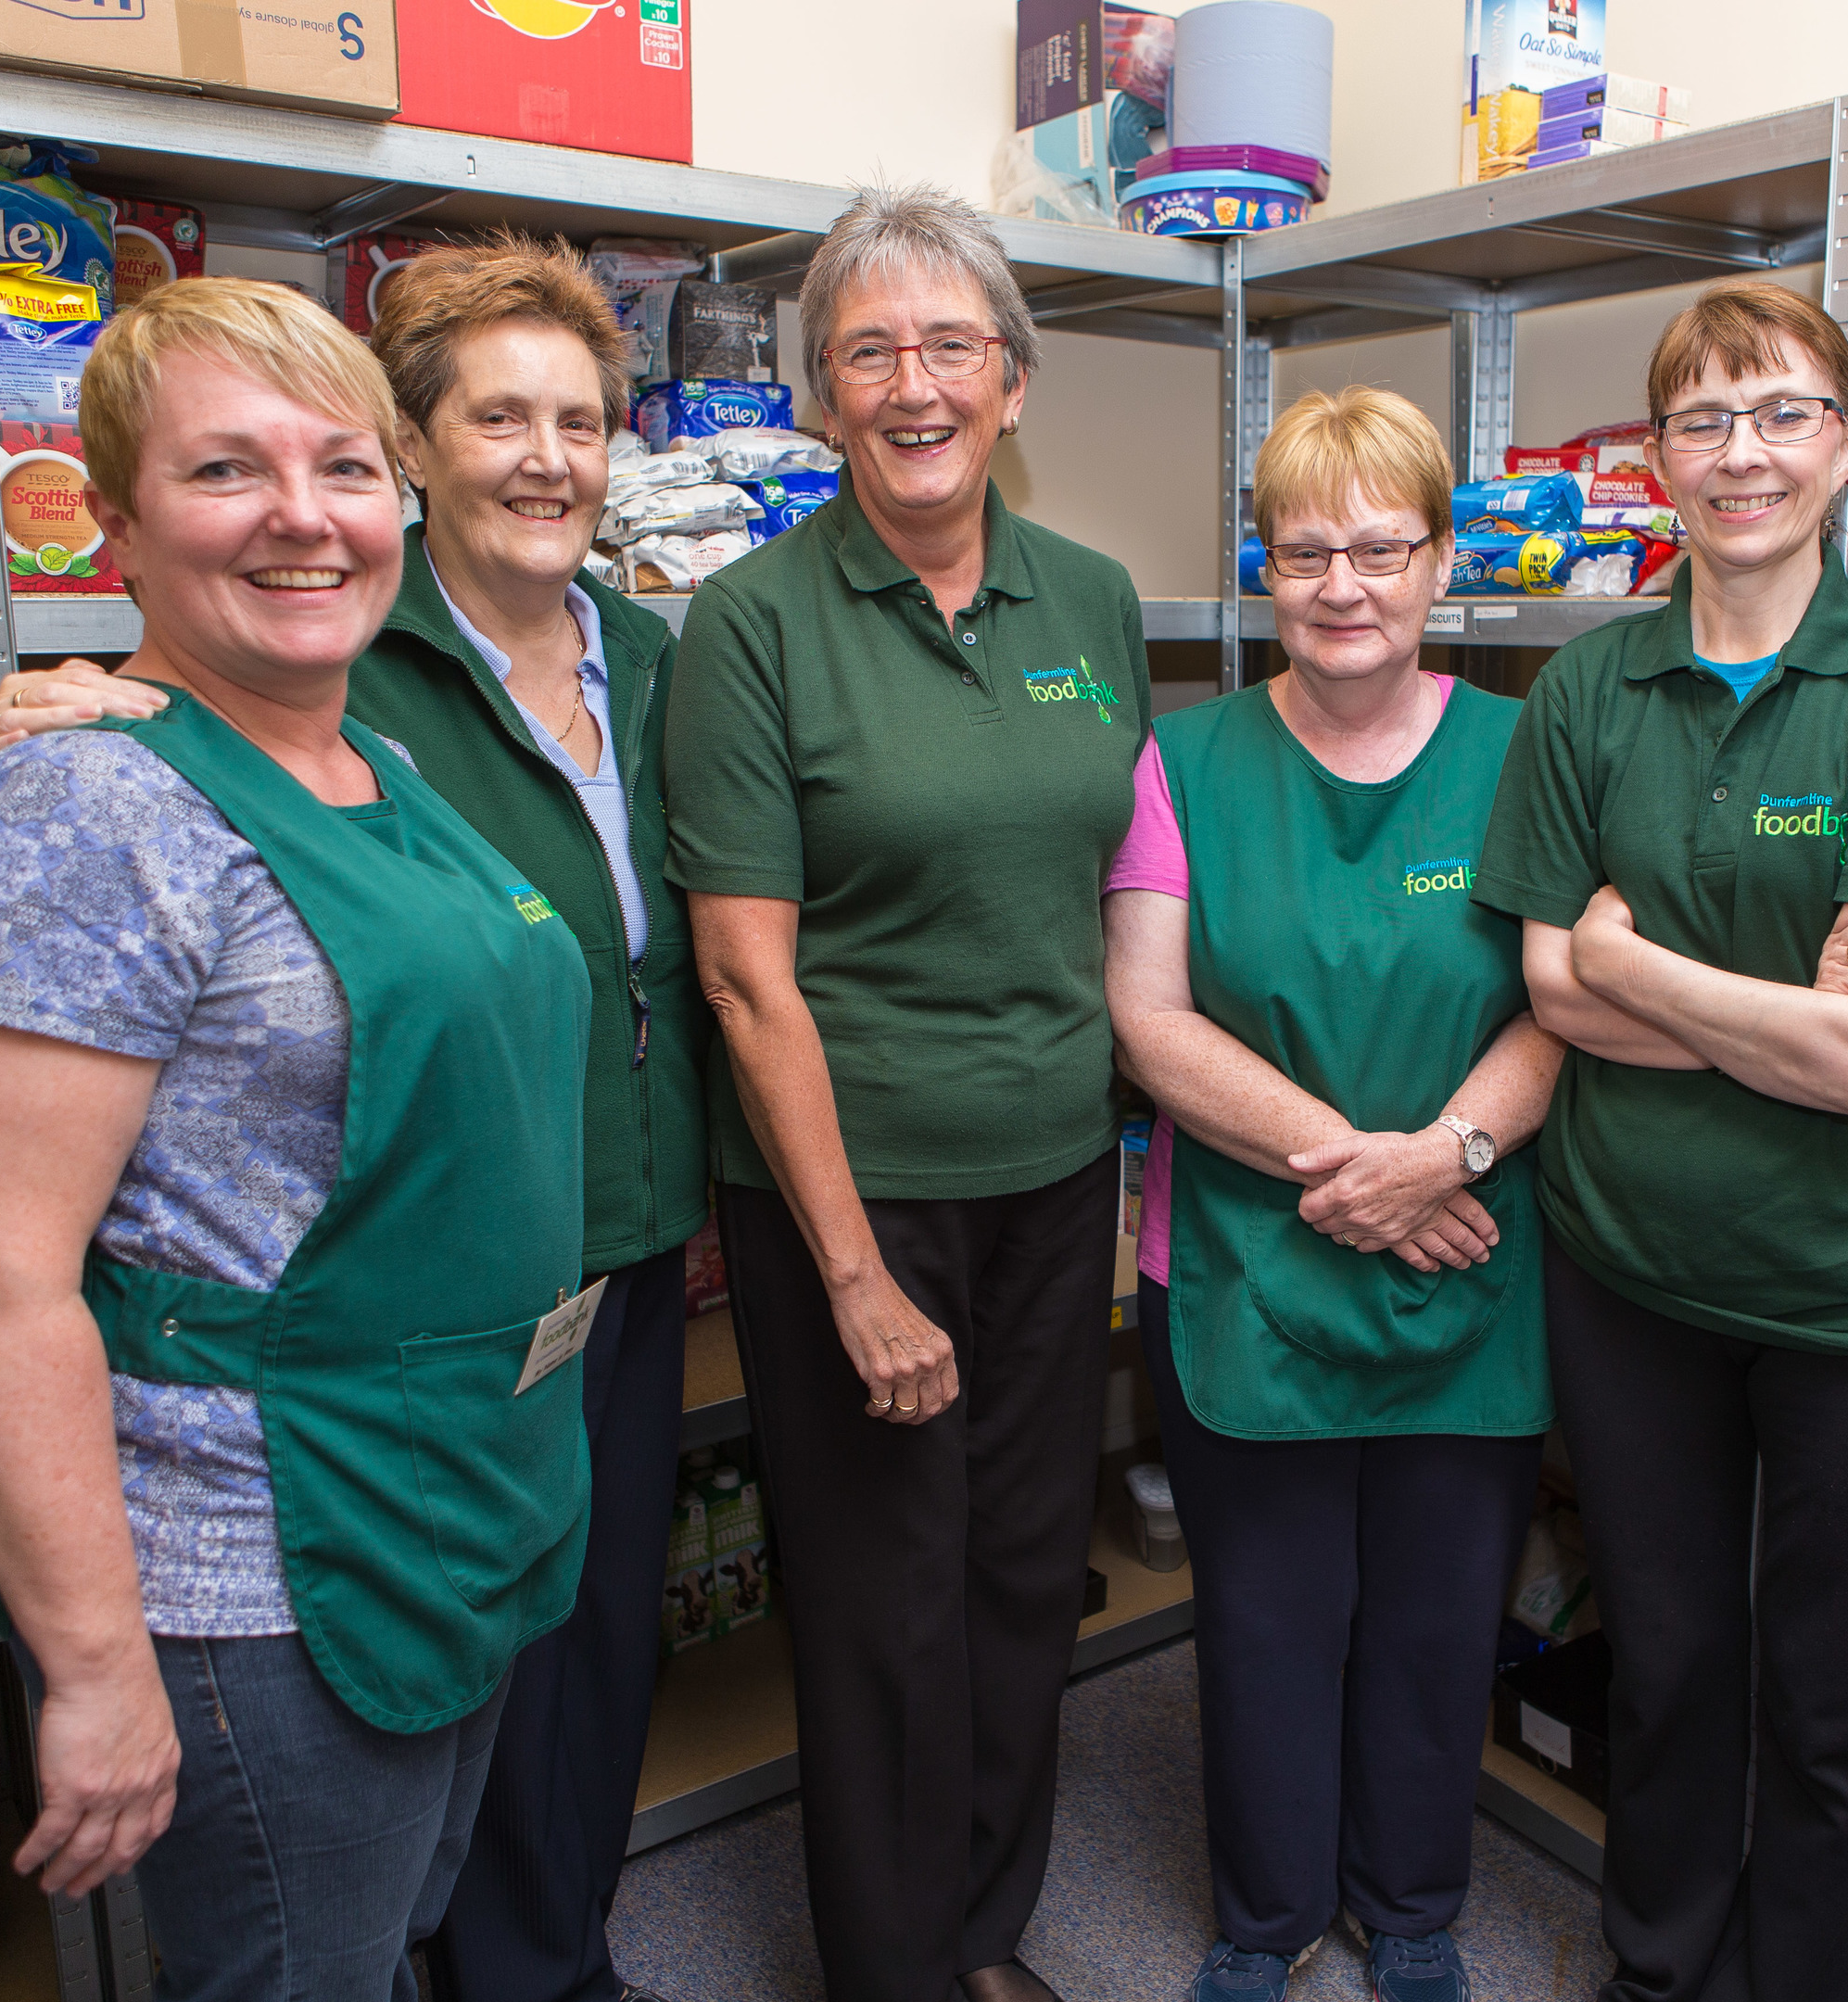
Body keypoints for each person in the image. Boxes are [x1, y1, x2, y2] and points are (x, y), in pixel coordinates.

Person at [0, 238, 708, 2002]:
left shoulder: (549, 697)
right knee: (305, 1932)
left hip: (512, 1357)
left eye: (331, 471)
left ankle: (546, 1963)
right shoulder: (189, 750)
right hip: (261, 1502)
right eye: (226, 471)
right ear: (117, 528)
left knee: (452, 1815)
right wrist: (89, 1662)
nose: (301, 518)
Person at [1472, 277, 1848, 2001]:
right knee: (1675, 1667)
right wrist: (1777, 999)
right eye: (1705, 419)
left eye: (1786, 412)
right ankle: (1658, 1975)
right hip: (1636, 1280)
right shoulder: (1588, 692)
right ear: (1656, 460)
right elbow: (1554, 998)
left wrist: (1640, 957)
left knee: (1838, 1712)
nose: (1745, 453)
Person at [664, 184, 1147, 2002]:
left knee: (1027, 1579)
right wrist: (857, 1272)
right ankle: (890, 1972)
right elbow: (740, 975)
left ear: (1014, 381)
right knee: (884, 1610)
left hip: (1051, 1174)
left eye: (950, 345)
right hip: (847, 1200)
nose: (913, 382)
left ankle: (986, 1936)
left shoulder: (1089, 599)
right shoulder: (756, 625)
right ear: (821, 398)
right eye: (868, 351)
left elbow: (1115, 892)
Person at [1102, 386, 1563, 2002]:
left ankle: (1415, 1909)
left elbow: (1565, 1004)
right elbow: (1151, 1019)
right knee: (1268, 1625)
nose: (1345, 583)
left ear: (1445, 562)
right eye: (1308, 552)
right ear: (1265, 572)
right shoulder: (1185, 758)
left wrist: (1448, 1158)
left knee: (1439, 1623)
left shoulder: (1530, 751)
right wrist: (1361, 1172)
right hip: (1246, 1267)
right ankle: (1266, 1915)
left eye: (1382, 546)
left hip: (1474, 1246)